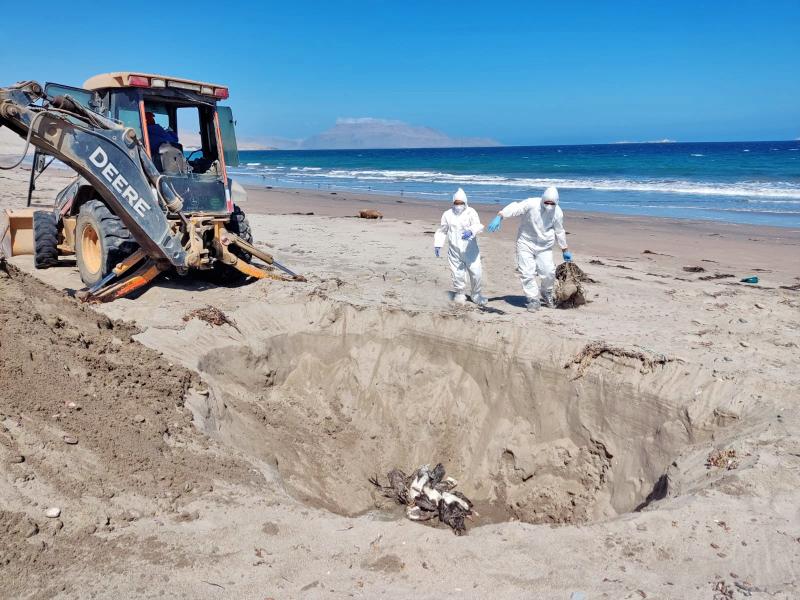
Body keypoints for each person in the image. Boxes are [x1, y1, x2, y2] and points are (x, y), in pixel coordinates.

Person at [486, 186, 572, 311]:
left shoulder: (558, 212)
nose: (548, 205)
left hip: (545, 245)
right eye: (546, 202)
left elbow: (559, 231)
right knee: (527, 272)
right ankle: (533, 299)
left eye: (552, 203)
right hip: (525, 242)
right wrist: (501, 215)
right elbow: (516, 207)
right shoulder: (531, 203)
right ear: (542, 199)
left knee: (548, 272)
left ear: (556, 202)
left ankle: (546, 293)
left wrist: (565, 249)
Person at [434, 188, 487, 306]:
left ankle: (476, 294)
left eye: (461, 203)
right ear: (453, 203)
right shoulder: (447, 214)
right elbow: (443, 230)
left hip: (470, 250)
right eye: (456, 203)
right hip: (454, 250)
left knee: (476, 272)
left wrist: (471, 231)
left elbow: (478, 225)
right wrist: (438, 244)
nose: (458, 205)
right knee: (457, 274)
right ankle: (460, 293)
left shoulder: (471, 212)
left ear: (465, 202)